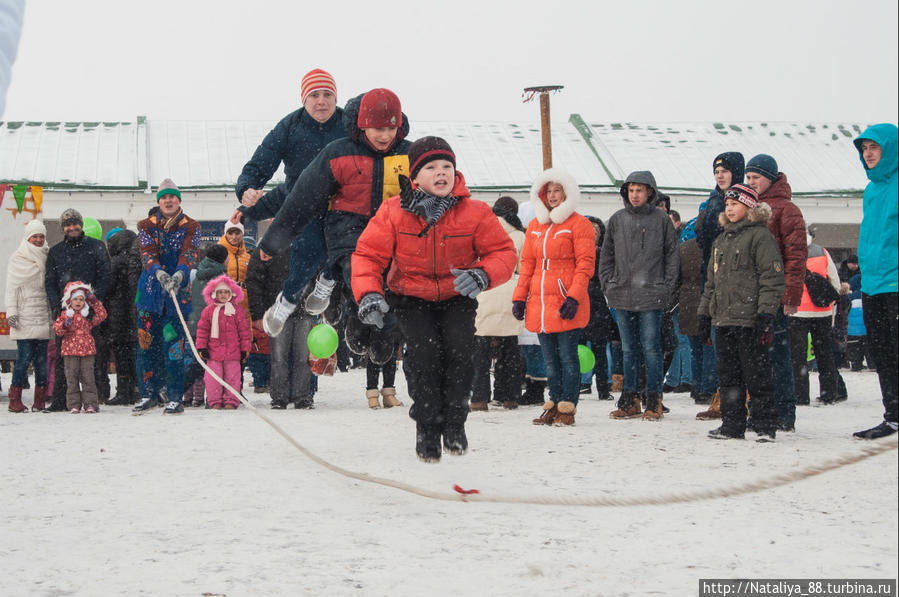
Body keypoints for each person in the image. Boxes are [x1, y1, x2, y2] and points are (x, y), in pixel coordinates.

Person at [351, 136, 516, 462]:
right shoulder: (394, 211)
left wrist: (483, 273)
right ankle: (427, 428)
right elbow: (368, 255)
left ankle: (455, 423)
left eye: (447, 167)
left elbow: (502, 252)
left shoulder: (476, 212)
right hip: (412, 297)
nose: (441, 173)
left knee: (459, 357)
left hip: (457, 296)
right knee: (424, 359)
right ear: (415, 177)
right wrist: (369, 293)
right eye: (431, 167)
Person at [259, 88, 411, 369]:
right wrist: (272, 242)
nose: (384, 136)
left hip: (393, 236)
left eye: (391, 128)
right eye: (377, 128)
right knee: (359, 278)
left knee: (393, 286)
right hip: (349, 235)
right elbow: (301, 199)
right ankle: (355, 316)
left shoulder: (409, 155)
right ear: (362, 125)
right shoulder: (339, 153)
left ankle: (386, 333)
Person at [234, 69, 347, 323]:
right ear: (304, 99)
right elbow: (263, 160)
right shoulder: (289, 126)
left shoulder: (348, 123)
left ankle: (328, 285)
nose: (321, 101)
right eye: (314, 95)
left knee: (343, 247)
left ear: (336, 98)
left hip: (342, 200)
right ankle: (288, 299)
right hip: (303, 200)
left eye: (327, 94)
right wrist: (247, 189)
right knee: (305, 253)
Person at [697, 184, 784, 441]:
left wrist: (766, 313)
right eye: (727, 205)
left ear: (749, 207)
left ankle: (765, 424)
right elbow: (711, 282)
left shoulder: (761, 237)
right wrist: (704, 315)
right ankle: (732, 424)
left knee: (757, 375)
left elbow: (772, 278)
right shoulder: (721, 240)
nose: (730, 209)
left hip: (750, 320)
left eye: (735, 204)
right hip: (724, 319)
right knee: (728, 376)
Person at [512, 168, 595, 426]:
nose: (552, 195)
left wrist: (574, 297)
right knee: (550, 359)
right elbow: (527, 265)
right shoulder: (536, 225)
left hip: (564, 301)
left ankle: (567, 406)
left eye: (557, 190)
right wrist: (519, 296)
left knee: (568, 357)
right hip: (540, 302)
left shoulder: (579, 224)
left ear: (566, 193)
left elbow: (585, 264)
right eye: (548, 191)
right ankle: (554, 401)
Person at [600, 171, 679, 421]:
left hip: (651, 295)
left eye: (640, 190)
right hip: (622, 294)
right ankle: (630, 400)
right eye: (631, 190)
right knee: (628, 349)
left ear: (650, 193)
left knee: (652, 348)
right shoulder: (616, 220)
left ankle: (653, 399)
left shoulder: (661, 220)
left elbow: (672, 256)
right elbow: (607, 256)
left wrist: (665, 287)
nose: (635, 195)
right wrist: (608, 285)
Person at [745, 153, 807, 431]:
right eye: (748, 177)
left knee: (778, 357)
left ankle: (784, 413)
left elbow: (796, 255)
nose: (751, 182)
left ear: (770, 178)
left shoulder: (787, 209)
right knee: (757, 358)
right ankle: (762, 411)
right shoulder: (748, 206)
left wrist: (790, 296)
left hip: (775, 293)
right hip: (751, 295)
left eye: (755, 177)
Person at [132, 178, 201, 415]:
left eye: (172, 197)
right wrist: (158, 272)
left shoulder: (191, 226)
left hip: (176, 297)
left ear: (178, 200)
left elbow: (189, 254)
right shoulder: (145, 225)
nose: (168, 201)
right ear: (158, 201)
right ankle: (148, 393)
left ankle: (174, 396)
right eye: (164, 197)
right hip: (150, 294)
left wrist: (181, 274)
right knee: (146, 346)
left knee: (174, 348)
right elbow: (147, 253)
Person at [851, 124, 898, 439]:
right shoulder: (871, 190)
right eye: (864, 148)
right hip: (873, 284)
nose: (868, 153)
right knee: (881, 352)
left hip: (896, 283)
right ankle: (893, 415)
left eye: (874, 147)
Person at [43, 208, 111, 411]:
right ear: (63, 228)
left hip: (91, 314)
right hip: (66, 315)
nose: (72, 228)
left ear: (81, 225)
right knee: (63, 358)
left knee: (94, 358)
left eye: (75, 224)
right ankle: (62, 400)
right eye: (67, 225)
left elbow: (105, 277)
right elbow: (50, 281)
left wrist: (93, 302)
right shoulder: (56, 251)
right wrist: (58, 305)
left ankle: (95, 399)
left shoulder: (96, 247)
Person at [470, 196, 526, 411]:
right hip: (510, 292)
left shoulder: (480, 231)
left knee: (480, 352)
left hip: (485, 291)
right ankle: (509, 395)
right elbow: (523, 267)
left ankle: (479, 397)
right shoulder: (520, 235)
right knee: (510, 349)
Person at [245, 244, 316, 409]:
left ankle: (302, 396)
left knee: (303, 357)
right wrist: (257, 314)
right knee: (278, 357)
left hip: (304, 310)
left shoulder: (307, 243)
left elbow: (317, 275)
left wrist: (320, 304)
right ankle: (279, 397)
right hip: (277, 311)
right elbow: (254, 281)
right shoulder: (267, 246)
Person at [788, 229, 842, 405]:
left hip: (797, 312)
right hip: (822, 311)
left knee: (798, 356)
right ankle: (829, 394)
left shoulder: (788, 253)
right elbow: (835, 282)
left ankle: (800, 396)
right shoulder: (822, 252)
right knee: (824, 354)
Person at [5, 219, 51, 412]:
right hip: (23, 318)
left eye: (41, 236)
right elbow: (11, 289)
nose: (39, 240)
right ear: (28, 238)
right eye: (35, 236)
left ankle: (39, 401)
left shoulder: (48, 256)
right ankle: (14, 400)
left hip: (42, 315)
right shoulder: (17, 258)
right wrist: (12, 312)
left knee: (41, 362)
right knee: (23, 360)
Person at [195, 274, 252, 410]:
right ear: (214, 294)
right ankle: (214, 401)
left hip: (232, 353)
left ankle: (231, 401)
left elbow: (244, 332)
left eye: (226, 292)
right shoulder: (208, 311)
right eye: (220, 292)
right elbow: (202, 331)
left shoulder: (237, 311)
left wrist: (245, 348)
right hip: (213, 353)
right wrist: (201, 347)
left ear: (231, 294)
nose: (223, 295)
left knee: (233, 378)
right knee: (213, 379)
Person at [52, 281, 108, 413]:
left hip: (87, 352)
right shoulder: (65, 315)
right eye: (75, 299)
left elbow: (102, 314)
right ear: (69, 301)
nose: (78, 302)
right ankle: (73, 404)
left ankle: (91, 404)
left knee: (88, 379)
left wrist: (93, 300)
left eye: (81, 299)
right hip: (70, 352)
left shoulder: (87, 316)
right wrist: (65, 324)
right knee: (72, 379)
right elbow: (58, 330)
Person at [184, 243, 229, 407]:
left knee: (197, 359)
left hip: (195, 321)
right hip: (213, 324)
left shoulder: (195, 273)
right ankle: (210, 396)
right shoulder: (221, 277)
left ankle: (182, 389)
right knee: (209, 362)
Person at [104, 228, 142, 406]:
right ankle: (136, 389)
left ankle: (123, 392)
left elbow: (107, 288)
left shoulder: (115, 262)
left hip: (118, 317)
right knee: (135, 356)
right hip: (134, 316)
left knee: (121, 357)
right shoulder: (137, 261)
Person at [677, 237, 717, 404]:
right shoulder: (716, 245)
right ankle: (707, 388)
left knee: (695, 349)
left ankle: (697, 386)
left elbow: (676, 277)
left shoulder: (683, 248)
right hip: (708, 301)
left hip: (687, 302)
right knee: (709, 347)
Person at [579, 215, 614, 400]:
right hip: (592, 304)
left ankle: (587, 385)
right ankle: (599, 386)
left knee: (587, 348)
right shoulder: (601, 254)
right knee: (596, 348)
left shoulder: (583, 253)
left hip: (588, 304)